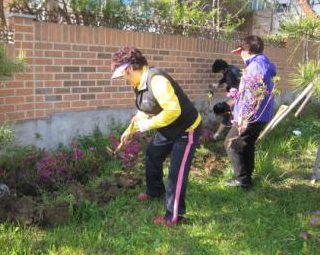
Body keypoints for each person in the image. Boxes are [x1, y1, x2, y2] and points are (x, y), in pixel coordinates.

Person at [111, 46, 202, 226]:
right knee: (153, 153)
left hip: (186, 129)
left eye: (123, 75)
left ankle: (174, 217)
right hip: (168, 127)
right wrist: (129, 131)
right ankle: (155, 191)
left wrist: (147, 125)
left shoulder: (157, 80)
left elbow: (173, 110)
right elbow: (144, 110)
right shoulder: (138, 84)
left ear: (129, 69)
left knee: (176, 174)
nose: (123, 79)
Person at [224, 35, 276, 189]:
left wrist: (244, 117)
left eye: (241, 51)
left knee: (231, 143)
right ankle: (247, 179)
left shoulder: (255, 66)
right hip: (261, 115)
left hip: (251, 115)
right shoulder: (263, 63)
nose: (240, 55)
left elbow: (252, 92)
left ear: (246, 50)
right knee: (247, 144)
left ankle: (242, 181)